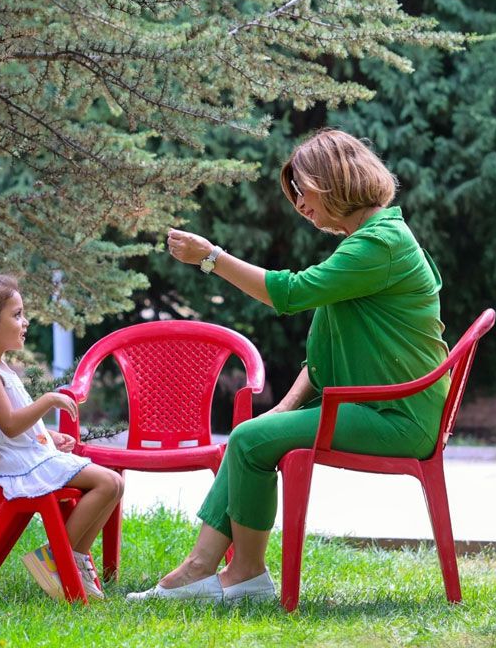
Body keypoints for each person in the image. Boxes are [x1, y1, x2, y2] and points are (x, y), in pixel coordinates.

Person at [129, 128, 449, 602]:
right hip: (382, 408)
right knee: (252, 435)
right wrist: (283, 408)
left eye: (303, 190)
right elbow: (321, 355)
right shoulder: (371, 241)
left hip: (398, 416)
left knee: (248, 439)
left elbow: (290, 293)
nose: (299, 204)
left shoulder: (380, 244)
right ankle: (201, 568)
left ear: (334, 180)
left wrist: (211, 258)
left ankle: (244, 576)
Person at [0, 274, 124, 600]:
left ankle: (71, 559)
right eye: (16, 315)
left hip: (29, 457)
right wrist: (48, 400)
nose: (25, 321)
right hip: (18, 468)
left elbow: (13, 426)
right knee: (108, 482)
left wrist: (49, 436)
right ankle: (61, 559)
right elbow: (9, 425)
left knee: (114, 483)